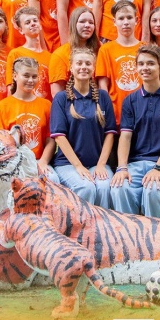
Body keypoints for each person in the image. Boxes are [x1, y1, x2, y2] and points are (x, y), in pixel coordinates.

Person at [110, 44, 160, 219]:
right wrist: (122, 168)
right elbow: (125, 137)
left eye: (150, 63)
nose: (145, 68)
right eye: (141, 64)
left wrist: (158, 168)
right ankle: (131, 232)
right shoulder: (130, 101)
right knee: (119, 188)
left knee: (153, 189)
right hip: (136, 164)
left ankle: (158, 233)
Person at [50, 48, 117, 208]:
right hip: (68, 164)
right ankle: (81, 224)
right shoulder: (61, 98)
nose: (83, 67)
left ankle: (102, 224)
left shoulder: (103, 96)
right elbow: (59, 136)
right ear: (71, 68)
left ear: (93, 68)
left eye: (88, 63)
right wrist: (78, 167)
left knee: (104, 187)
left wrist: (101, 164)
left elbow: (110, 134)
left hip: (96, 163)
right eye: (79, 63)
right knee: (86, 187)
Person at [0, 56, 58, 180]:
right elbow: (0, 141)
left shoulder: (46, 105)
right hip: (13, 162)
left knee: (52, 179)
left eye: (34, 76)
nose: (31, 80)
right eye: (26, 76)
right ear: (15, 76)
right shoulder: (2, 107)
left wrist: (43, 162)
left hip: (38, 160)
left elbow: (50, 140)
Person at [96, 0, 144, 123]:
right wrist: (107, 112)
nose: (126, 22)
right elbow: (103, 86)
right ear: (114, 22)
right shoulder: (105, 50)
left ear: (136, 20)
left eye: (129, 17)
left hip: (143, 114)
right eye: (121, 18)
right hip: (116, 114)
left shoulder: (145, 49)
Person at [49, 6, 102, 97]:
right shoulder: (60, 55)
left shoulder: (101, 50)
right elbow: (57, 94)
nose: (87, 25)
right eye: (82, 21)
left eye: (91, 22)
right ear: (73, 24)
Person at [6, 6, 52, 100]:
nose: (33, 24)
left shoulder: (50, 57)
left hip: (45, 106)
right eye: (27, 22)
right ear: (21, 30)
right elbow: (11, 88)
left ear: (40, 25)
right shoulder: (15, 54)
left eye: (35, 21)